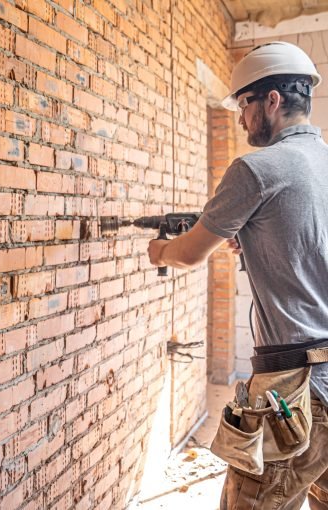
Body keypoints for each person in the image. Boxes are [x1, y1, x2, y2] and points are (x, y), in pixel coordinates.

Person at [147, 41, 328, 509]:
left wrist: (160, 250)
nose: (242, 120)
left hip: (301, 389)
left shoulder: (256, 169)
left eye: (245, 105)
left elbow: (188, 255)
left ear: (272, 100)